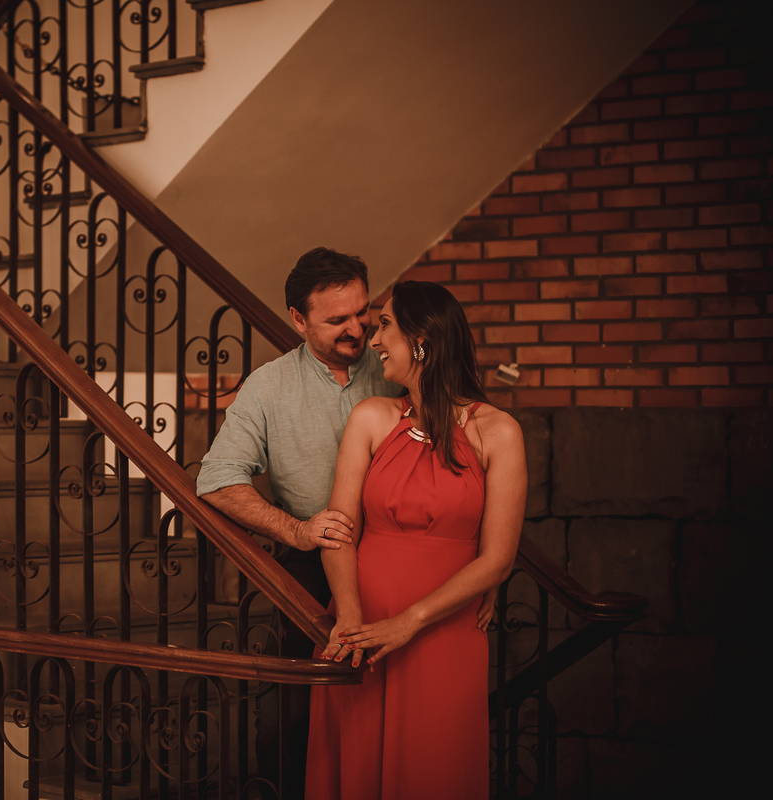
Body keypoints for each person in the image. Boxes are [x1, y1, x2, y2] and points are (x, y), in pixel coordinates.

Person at [305, 280, 527, 800]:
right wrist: (350, 616)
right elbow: (339, 528)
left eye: (384, 325)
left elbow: (497, 559)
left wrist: (410, 622)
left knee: (434, 768)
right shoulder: (372, 418)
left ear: (421, 340)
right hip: (358, 626)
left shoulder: (499, 433)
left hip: (442, 632)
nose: (373, 339)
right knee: (354, 768)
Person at [197, 246, 402, 799]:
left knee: (397, 710)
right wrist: (294, 530)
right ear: (298, 319)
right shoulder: (267, 386)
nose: (357, 328)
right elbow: (216, 479)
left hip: (401, 563)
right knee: (299, 718)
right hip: (311, 571)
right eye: (337, 319)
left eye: (363, 311)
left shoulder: (398, 367)